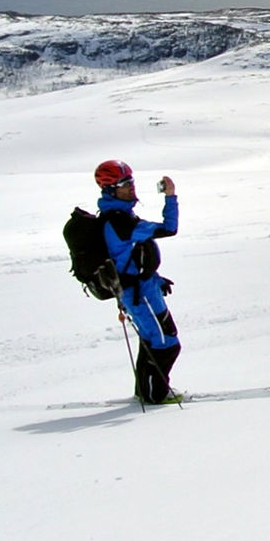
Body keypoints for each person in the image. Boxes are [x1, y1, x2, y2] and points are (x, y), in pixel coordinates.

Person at [94, 160, 182, 404]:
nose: (130, 187)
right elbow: (169, 228)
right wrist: (171, 197)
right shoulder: (119, 220)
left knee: (155, 340)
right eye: (124, 183)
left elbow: (130, 256)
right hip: (137, 293)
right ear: (110, 189)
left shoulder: (122, 215)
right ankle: (155, 396)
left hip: (145, 287)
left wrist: (154, 277)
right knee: (166, 344)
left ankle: (146, 392)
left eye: (131, 181)